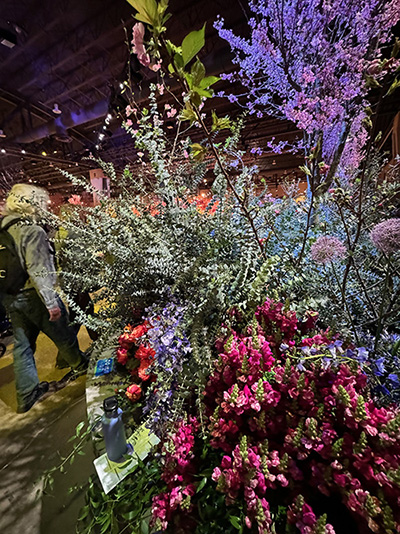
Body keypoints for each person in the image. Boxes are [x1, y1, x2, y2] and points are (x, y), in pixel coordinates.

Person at [1, 184, 87, 413]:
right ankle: (80, 365)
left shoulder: (3, 227)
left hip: (10, 297)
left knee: (22, 345)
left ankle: (26, 394)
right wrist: (51, 302)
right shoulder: (31, 231)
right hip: (34, 295)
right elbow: (38, 270)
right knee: (63, 332)